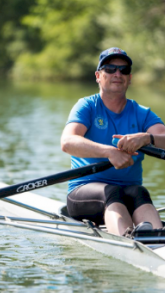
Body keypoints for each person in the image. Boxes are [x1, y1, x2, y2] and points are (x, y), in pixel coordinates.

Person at [60, 47, 165, 236]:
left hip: (129, 195)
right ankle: (127, 241)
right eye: (110, 69)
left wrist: (147, 138)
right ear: (98, 76)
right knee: (112, 191)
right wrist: (109, 152)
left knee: (139, 192)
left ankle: (156, 240)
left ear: (129, 78)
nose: (117, 74)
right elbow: (67, 142)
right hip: (83, 193)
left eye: (123, 70)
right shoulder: (87, 106)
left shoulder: (142, 113)